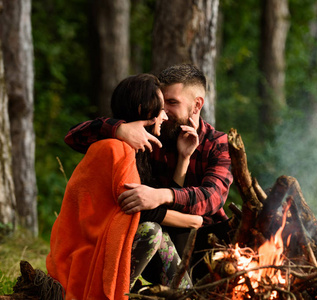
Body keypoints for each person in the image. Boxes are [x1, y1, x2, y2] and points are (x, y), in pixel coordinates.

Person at [64, 64, 234, 281]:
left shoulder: (217, 142)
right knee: (151, 231)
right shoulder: (147, 134)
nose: (164, 112)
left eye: (172, 103)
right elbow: (74, 137)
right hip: (158, 237)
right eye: (162, 103)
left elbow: (212, 198)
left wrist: (161, 194)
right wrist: (119, 129)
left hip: (207, 247)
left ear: (197, 104)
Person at [46, 74, 202, 300]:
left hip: (108, 249)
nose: (165, 115)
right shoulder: (115, 148)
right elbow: (138, 207)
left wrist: (184, 159)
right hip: (87, 257)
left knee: (160, 235)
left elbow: (155, 200)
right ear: (143, 109)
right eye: (160, 109)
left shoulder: (143, 149)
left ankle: (189, 297)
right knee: (152, 231)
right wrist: (193, 221)